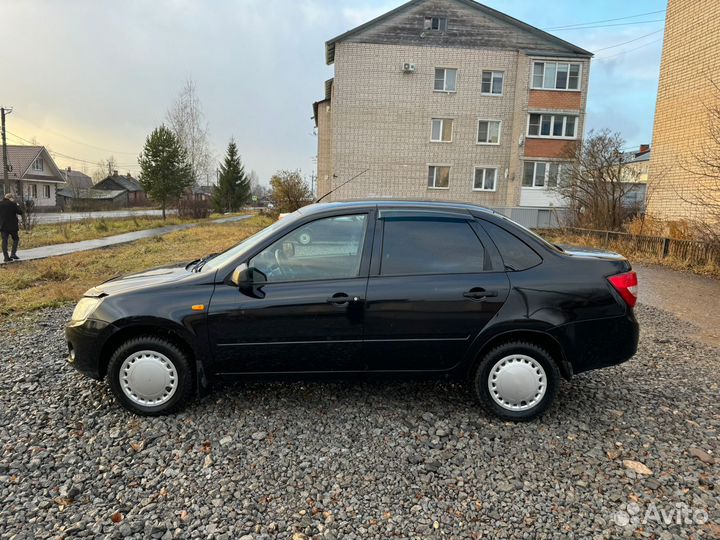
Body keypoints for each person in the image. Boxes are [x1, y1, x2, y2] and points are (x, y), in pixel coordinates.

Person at [0, 192, 23, 262]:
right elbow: (20, 212)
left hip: (3, 226)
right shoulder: (13, 204)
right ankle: (13, 254)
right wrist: (17, 205)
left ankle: (6, 257)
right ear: (10, 198)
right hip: (12, 226)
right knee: (16, 239)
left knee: (4, 241)